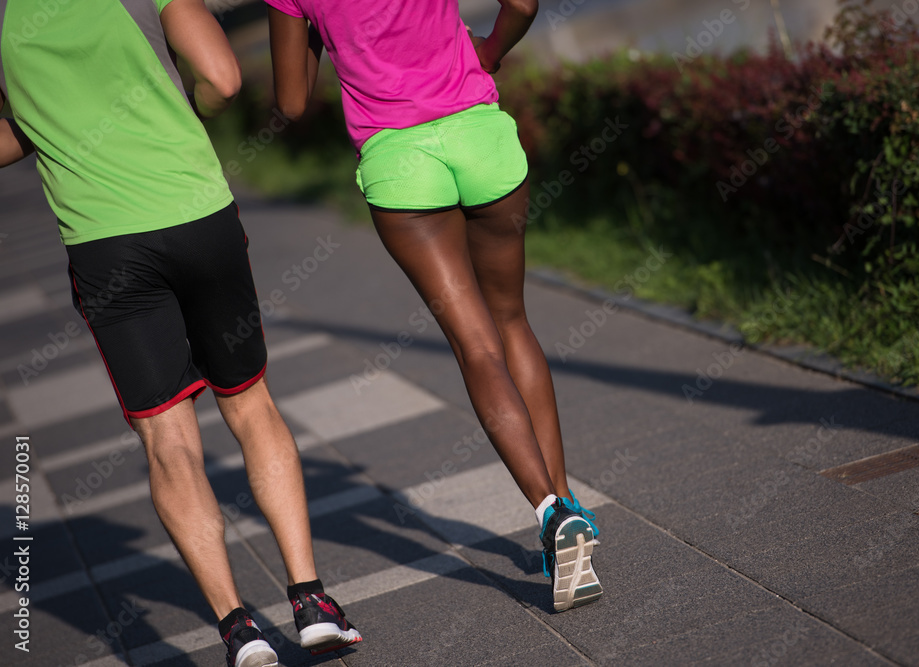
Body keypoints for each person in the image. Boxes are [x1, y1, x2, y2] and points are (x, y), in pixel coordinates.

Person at [0, 1, 359, 664]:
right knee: (251, 402)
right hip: (197, 212)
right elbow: (223, 78)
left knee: (168, 436)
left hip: (106, 244)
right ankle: (311, 601)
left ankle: (238, 628)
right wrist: (185, 101)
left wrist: (52, 119)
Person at [265, 0, 603, 612]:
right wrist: (492, 48)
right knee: (512, 321)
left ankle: (549, 512)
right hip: (481, 137)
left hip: (401, 165)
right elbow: (523, 3)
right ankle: (567, 510)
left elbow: (291, 102)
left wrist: (321, 36)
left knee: (476, 345)